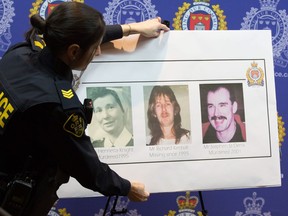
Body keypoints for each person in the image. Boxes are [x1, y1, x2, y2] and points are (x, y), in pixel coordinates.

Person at [0, 2, 170, 216]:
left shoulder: (21, 52)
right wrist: (127, 188)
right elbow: (88, 169)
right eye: (94, 47)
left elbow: (75, 36)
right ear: (73, 51)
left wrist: (132, 28)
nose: (98, 51)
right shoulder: (56, 107)